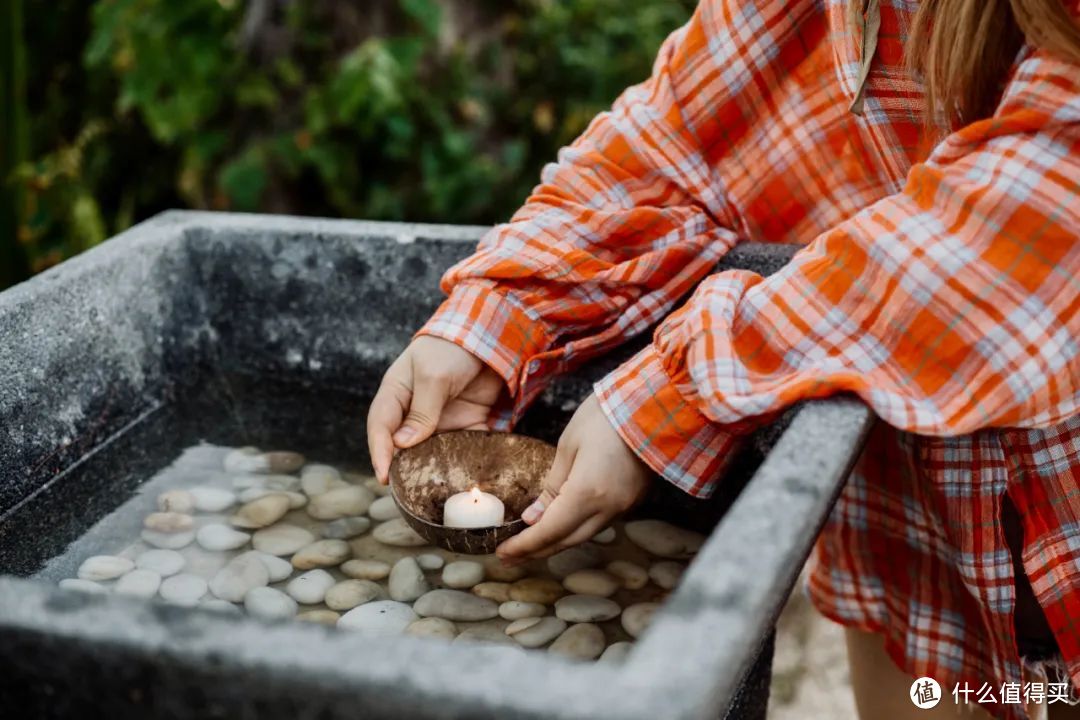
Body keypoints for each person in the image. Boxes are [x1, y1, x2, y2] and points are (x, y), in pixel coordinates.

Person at [366, 1, 1080, 717]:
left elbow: (1037, 209)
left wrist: (677, 393)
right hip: (916, 533)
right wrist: (497, 315)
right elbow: (671, 141)